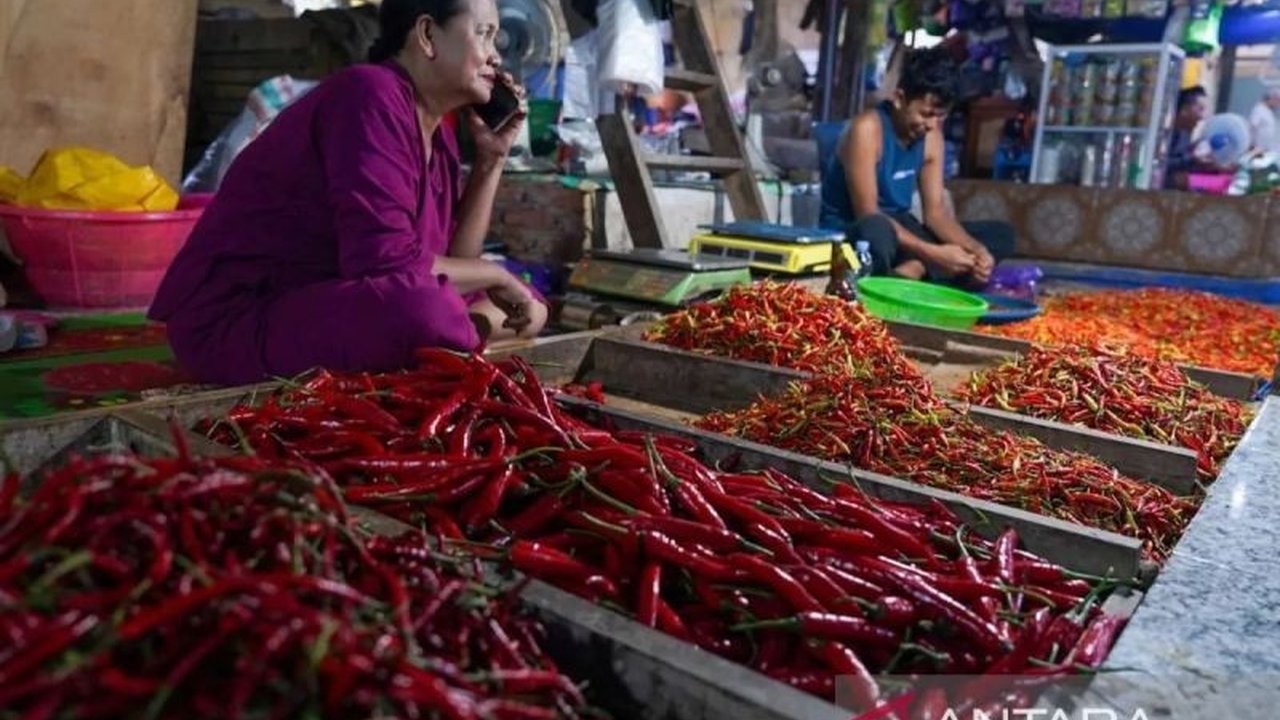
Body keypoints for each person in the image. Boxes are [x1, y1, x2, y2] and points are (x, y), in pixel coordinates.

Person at [149, 0, 547, 385]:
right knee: (427, 309)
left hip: (329, 303)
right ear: (427, 35)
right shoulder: (369, 94)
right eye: (485, 34)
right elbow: (387, 266)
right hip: (238, 320)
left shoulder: (436, 133)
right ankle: (447, 335)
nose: (497, 56)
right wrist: (494, 274)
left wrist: (490, 161)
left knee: (529, 302)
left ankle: (451, 335)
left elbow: (455, 266)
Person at [819, 47, 1014, 286]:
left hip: (902, 228)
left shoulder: (932, 137)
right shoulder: (867, 129)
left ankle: (910, 272)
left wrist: (976, 250)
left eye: (940, 117)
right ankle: (917, 272)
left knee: (1001, 236)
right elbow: (867, 212)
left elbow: (935, 214)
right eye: (926, 114)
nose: (932, 125)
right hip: (856, 231)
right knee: (876, 232)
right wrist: (932, 254)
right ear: (899, 98)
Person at [1165, 85, 1232, 190]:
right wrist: (1192, 158)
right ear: (1185, 109)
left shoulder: (1185, 134)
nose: (1201, 117)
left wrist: (1210, 166)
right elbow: (1162, 163)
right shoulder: (1166, 134)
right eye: (1200, 109)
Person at [1249, 87, 1280, 155]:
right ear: (1271, 98)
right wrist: (1253, 146)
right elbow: (1252, 127)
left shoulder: (1269, 111)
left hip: (1265, 149)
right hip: (1256, 149)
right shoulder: (1259, 109)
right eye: (1278, 101)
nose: (1278, 104)